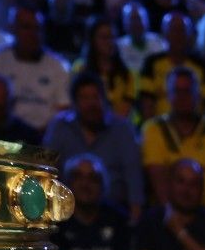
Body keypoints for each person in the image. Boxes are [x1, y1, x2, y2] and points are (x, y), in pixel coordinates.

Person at [44, 71, 143, 220]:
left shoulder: (122, 129)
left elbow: (133, 175)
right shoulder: (60, 127)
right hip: (67, 214)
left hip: (113, 212)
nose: (91, 104)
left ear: (104, 100)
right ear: (74, 103)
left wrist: (135, 215)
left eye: (95, 97)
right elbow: (47, 171)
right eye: (85, 98)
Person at [142, 67, 205, 226]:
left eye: (187, 91)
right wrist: (173, 220)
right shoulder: (153, 129)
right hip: (168, 212)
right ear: (168, 96)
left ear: (198, 95)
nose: (182, 97)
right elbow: (157, 178)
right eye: (177, 91)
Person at [0, 6, 69, 132]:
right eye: (26, 27)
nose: (33, 34)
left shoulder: (59, 66)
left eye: (37, 28)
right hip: (2, 134)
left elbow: (63, 110)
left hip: (44, 136)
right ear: (13, 28)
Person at [72, 13, 134, 120]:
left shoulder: (126, 74)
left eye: (112, 37)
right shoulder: (80, 69)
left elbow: (124, 112)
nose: (110, 42)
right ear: (92, 40)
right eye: (104, 38)